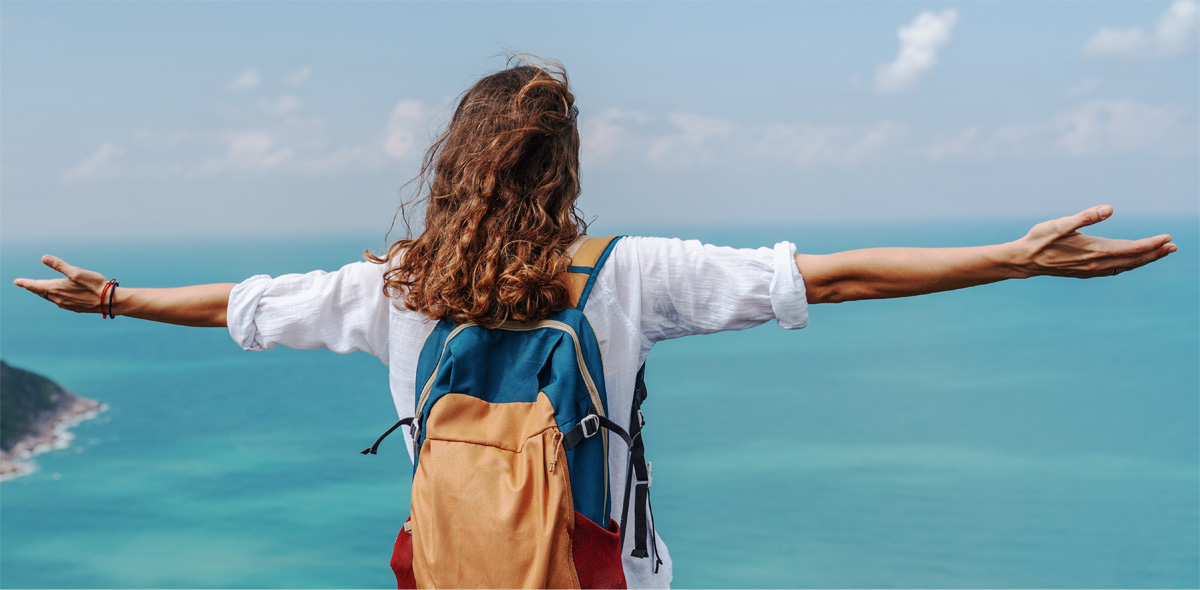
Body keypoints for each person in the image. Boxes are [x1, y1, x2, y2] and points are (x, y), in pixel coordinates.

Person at [12, 58, 1177, 588]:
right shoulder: (624, 274)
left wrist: (113, 297)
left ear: (453, 163)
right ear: (566, 169)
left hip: (451, 568)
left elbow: (241, 305)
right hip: (591, 570)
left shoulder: (397, 284)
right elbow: (831, 277)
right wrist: (1012, 261)